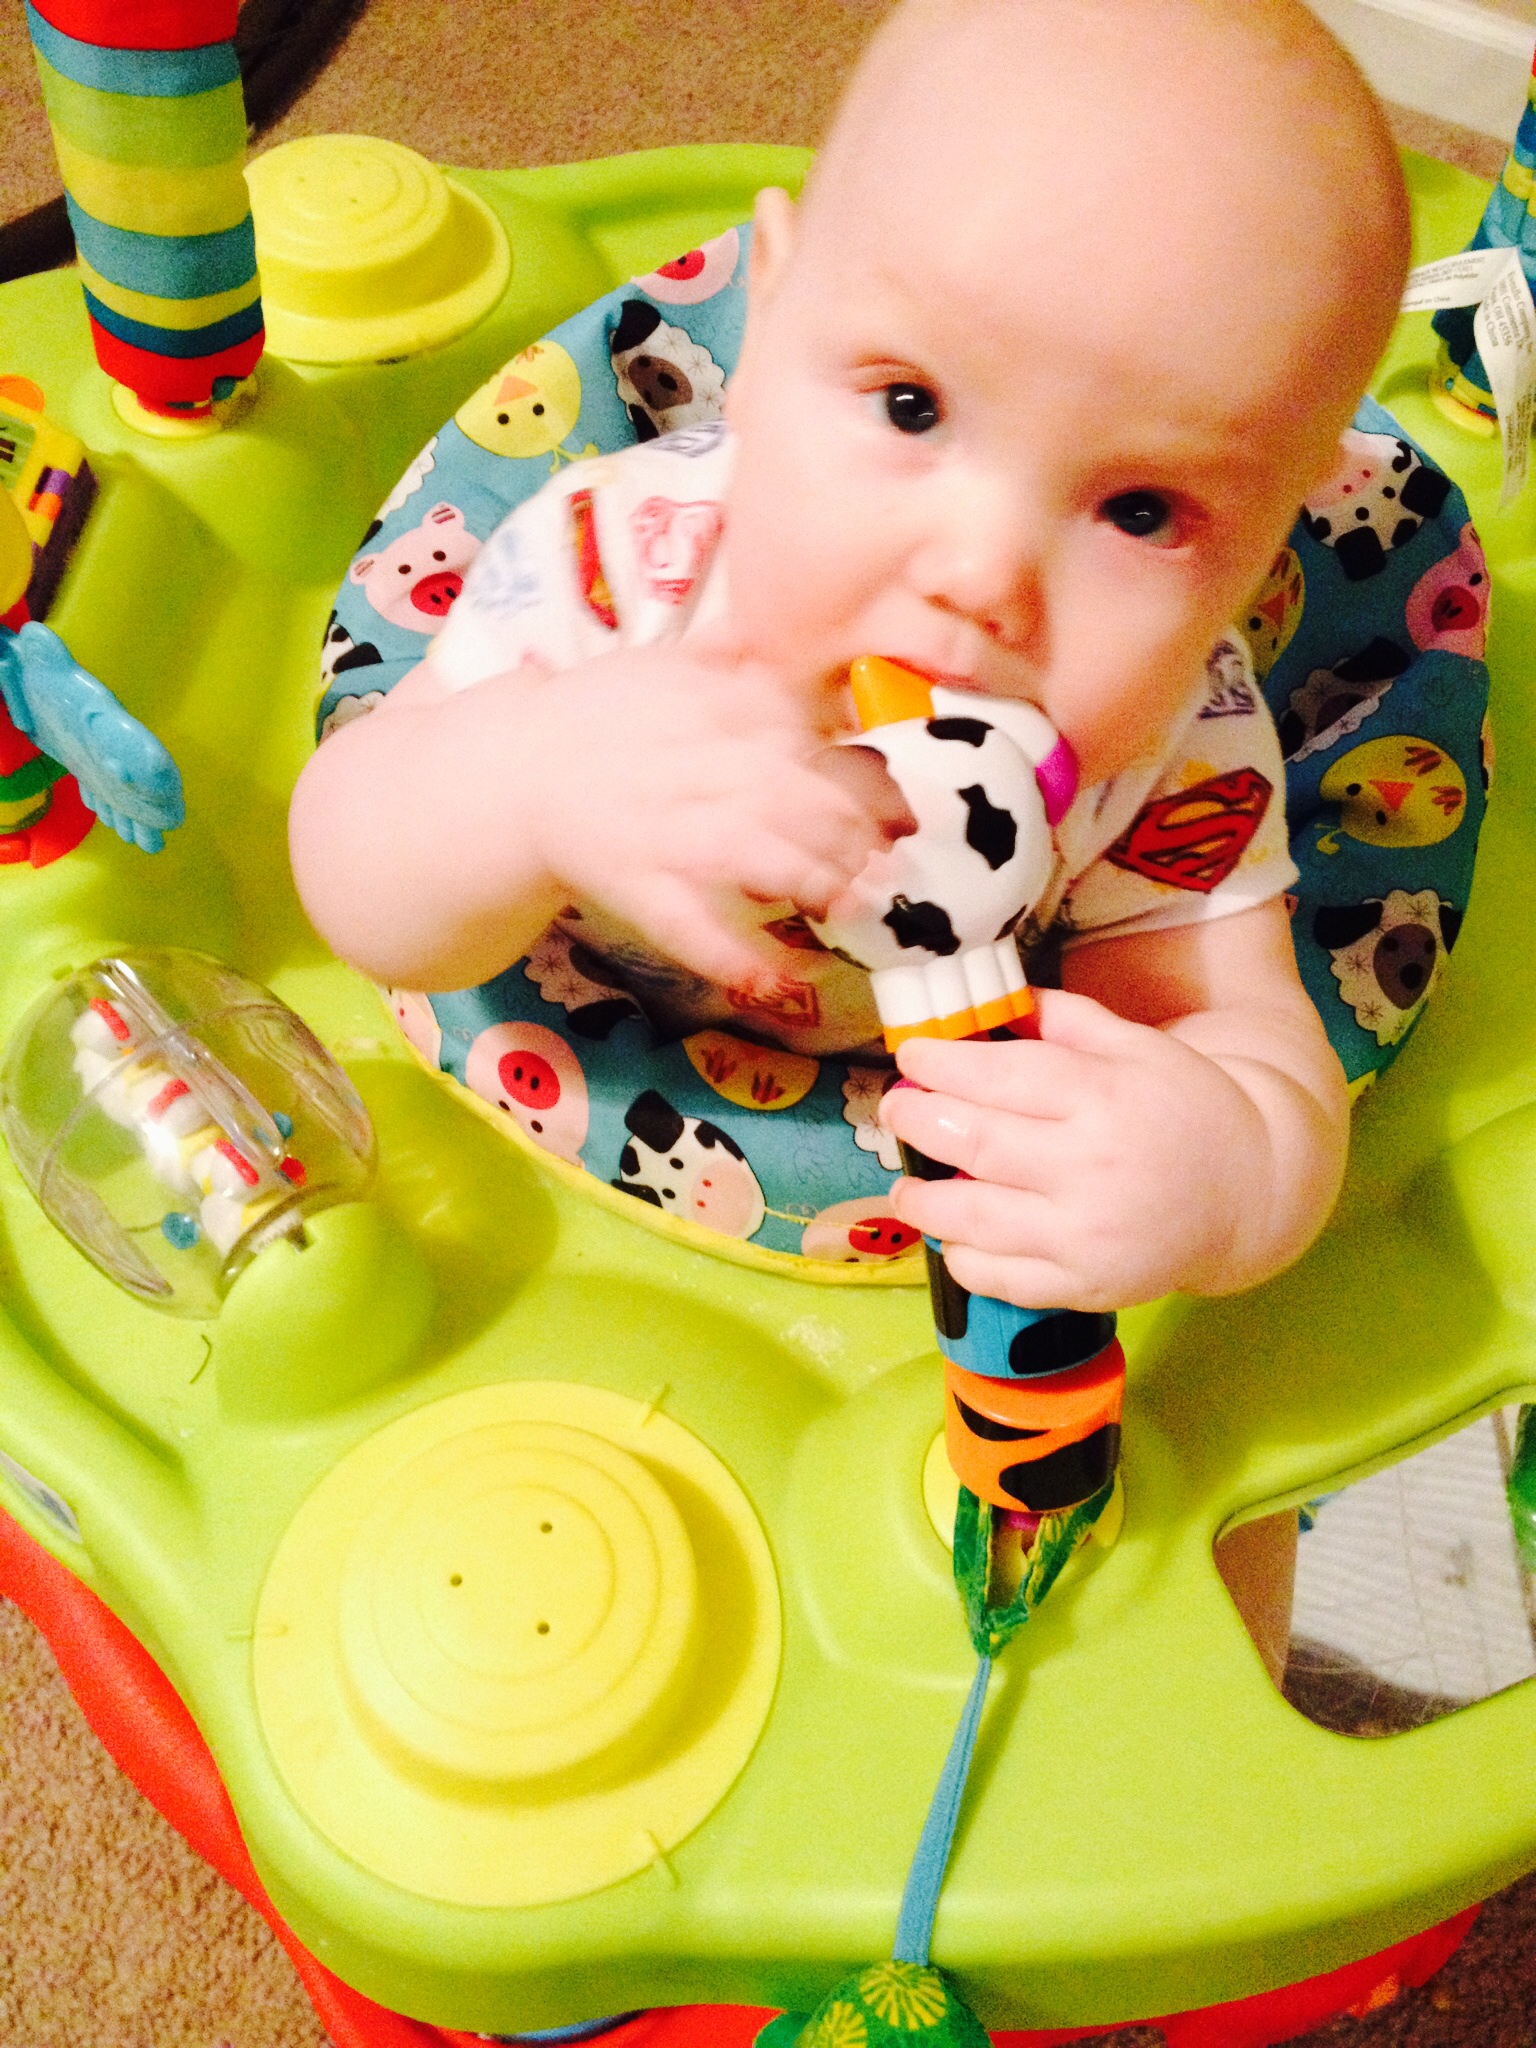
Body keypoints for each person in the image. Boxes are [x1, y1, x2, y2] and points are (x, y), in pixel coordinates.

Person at [290, 0, 1412, 1672]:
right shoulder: (613, 583)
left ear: (1263, 542)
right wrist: (524, 778)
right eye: (908, 405)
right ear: (773, 318)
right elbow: (353, 879)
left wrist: (1226, 1175)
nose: (980, 574)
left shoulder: (1175, 745)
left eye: (1141, 509)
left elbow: (1253, 1039)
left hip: (917, 1317)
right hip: (552, 1180)